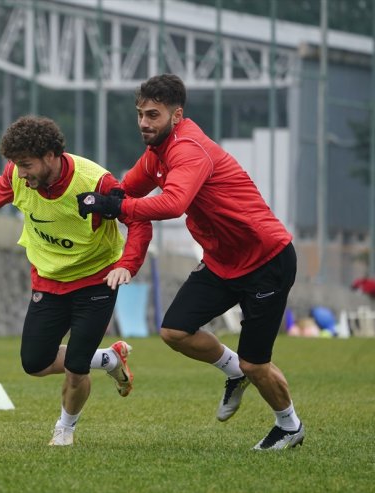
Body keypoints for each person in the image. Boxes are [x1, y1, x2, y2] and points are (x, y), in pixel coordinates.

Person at [76, 74, 304, 450]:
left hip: (268, 259)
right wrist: (88, 197)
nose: (145, 123)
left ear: (176, 115)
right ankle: (233, 372)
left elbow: (172, 204)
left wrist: (117, 206)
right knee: (174, 331)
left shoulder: (188, 149)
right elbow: (125, 189)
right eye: (140, 114)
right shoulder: (156, 155)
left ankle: (289, 426)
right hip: (222, 261)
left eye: (153, 115)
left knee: (256, 363)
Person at [0, 115, 151, 446]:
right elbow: (0, 189)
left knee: (75, 368)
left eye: (26, 164)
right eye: (16, 164)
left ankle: (65, 428)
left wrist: (127, 265)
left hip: (96, 280)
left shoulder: (96, 183)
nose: (21, 172)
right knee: (34, 363)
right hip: (48, 280)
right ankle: (111, 358)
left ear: (50, 156)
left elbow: (139, 220)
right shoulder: (18, 175)